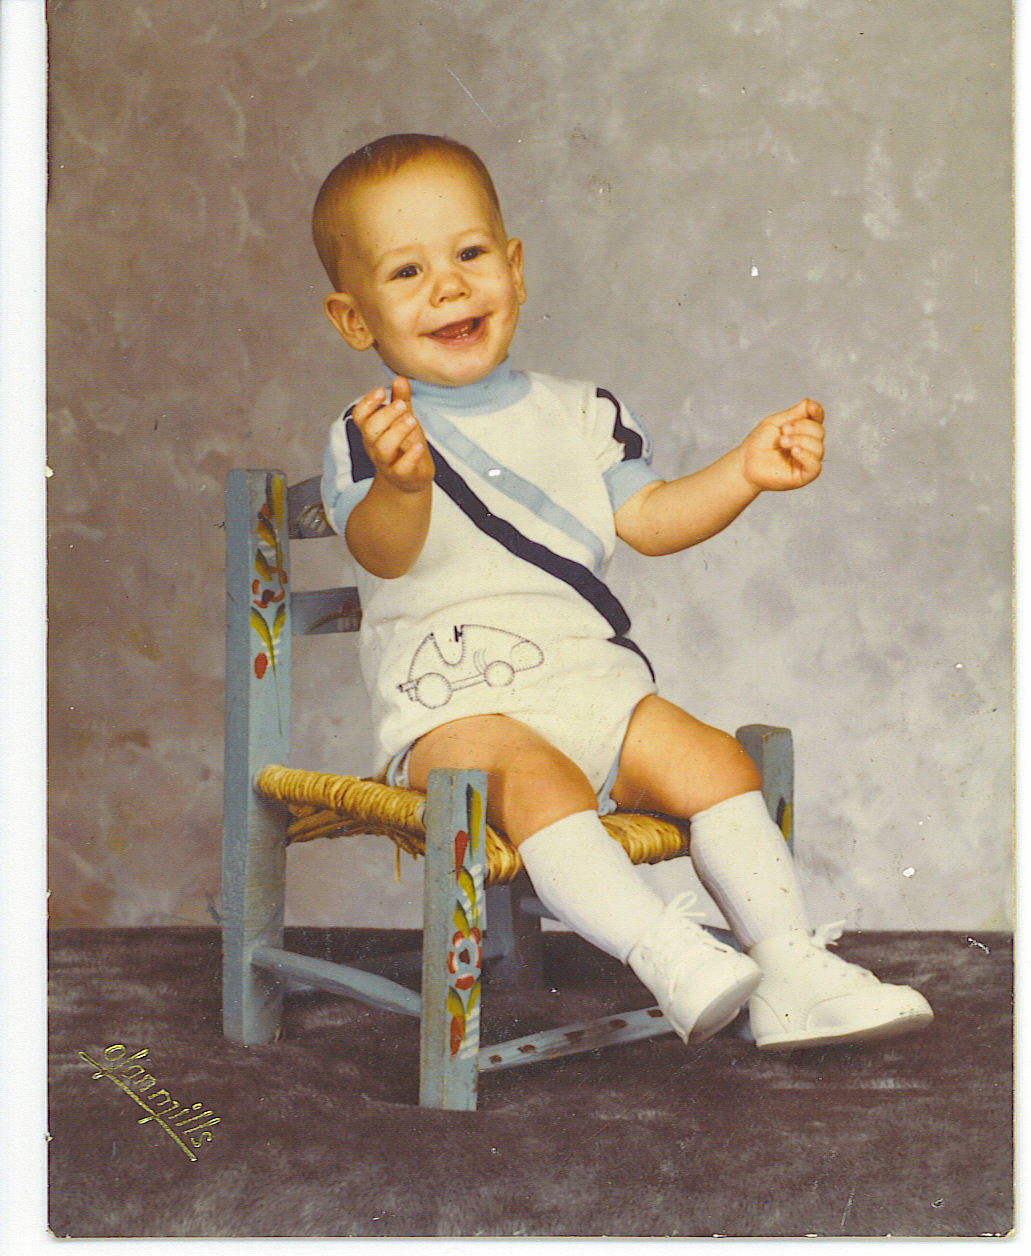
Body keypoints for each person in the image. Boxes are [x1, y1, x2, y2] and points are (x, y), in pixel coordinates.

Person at [313, 132, 933, 1051]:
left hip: (589, 684)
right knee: (543, 783)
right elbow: (383, 553)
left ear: (515, 269)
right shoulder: (374, 434)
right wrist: (403, 487)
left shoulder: (582, 413)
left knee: (717, 762)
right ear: (354, 319)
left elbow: (649, 518)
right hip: (454, 710)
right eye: (407, 272)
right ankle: (669, 955)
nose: (448, 286)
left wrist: (742, 472)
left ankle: (789, 970)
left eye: (470, 254)